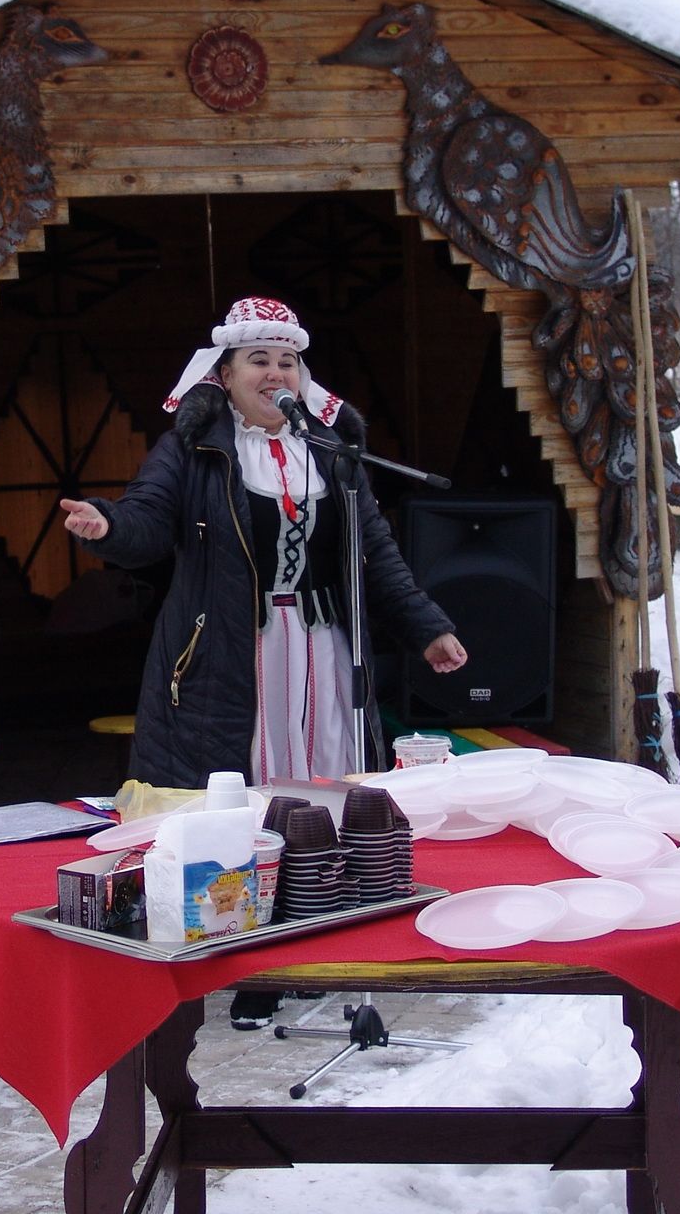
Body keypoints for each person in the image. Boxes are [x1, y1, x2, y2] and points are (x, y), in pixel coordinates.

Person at [58, 297, 465, 1027]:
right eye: (259, 360)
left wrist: (426, 626)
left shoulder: (333, 447)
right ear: (226, 373)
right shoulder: (194, 446)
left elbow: (374, 550)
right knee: (249, 798)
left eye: (287, 361)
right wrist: (106, 524)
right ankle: (255, 959)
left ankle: (326, 933)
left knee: (331, 788)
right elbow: (147, 519)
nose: (276, 373)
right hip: (234, 654)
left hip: (325, 650)